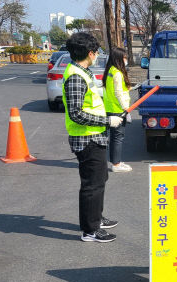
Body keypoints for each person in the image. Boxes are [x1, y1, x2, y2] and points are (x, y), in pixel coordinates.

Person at [62, 32, 122, 242]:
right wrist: (107, 122)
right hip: (86, 139)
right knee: (92, 184)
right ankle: (90, 230)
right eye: (96, 52)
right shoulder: (76, 77)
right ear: (90, 53)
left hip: (94, 137)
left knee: (99, 179)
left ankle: (96, 217)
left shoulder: (83, 72)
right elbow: (76, 114)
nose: (97, 55)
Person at [102, 47, 133, 173]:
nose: (126, 60)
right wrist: (126, 108)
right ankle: (116, 164)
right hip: (118, 109)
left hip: (109, 108)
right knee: (118, 137)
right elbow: (118, 93)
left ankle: (116, 162)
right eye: (124, 57)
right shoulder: (118, 74)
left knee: (114, 137)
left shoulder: (110, 70)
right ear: (119, 58)